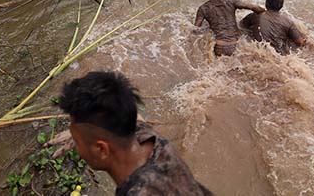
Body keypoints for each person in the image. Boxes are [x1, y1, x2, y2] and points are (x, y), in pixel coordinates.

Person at [58, 71, 212, 195]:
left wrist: (84, 134)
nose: (76, 146)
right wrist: (84, 132)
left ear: (102, 149)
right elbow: (132, 115)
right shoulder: (153, 141)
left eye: (77, 142)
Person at [194, 0, 264, 56]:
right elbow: (254, 7)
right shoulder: (230, 1)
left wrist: (206, 30)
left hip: (220, 47)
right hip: (238, 44)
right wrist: (265, 12)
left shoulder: (203, 8)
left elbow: (196, 29)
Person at [241, 0, 306, 54]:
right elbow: (300, 42)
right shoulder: (288, 21)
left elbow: (241, 26)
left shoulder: (255, 15)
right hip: (279, 55)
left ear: (266, 3)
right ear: (281, 6)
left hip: (258, 51)